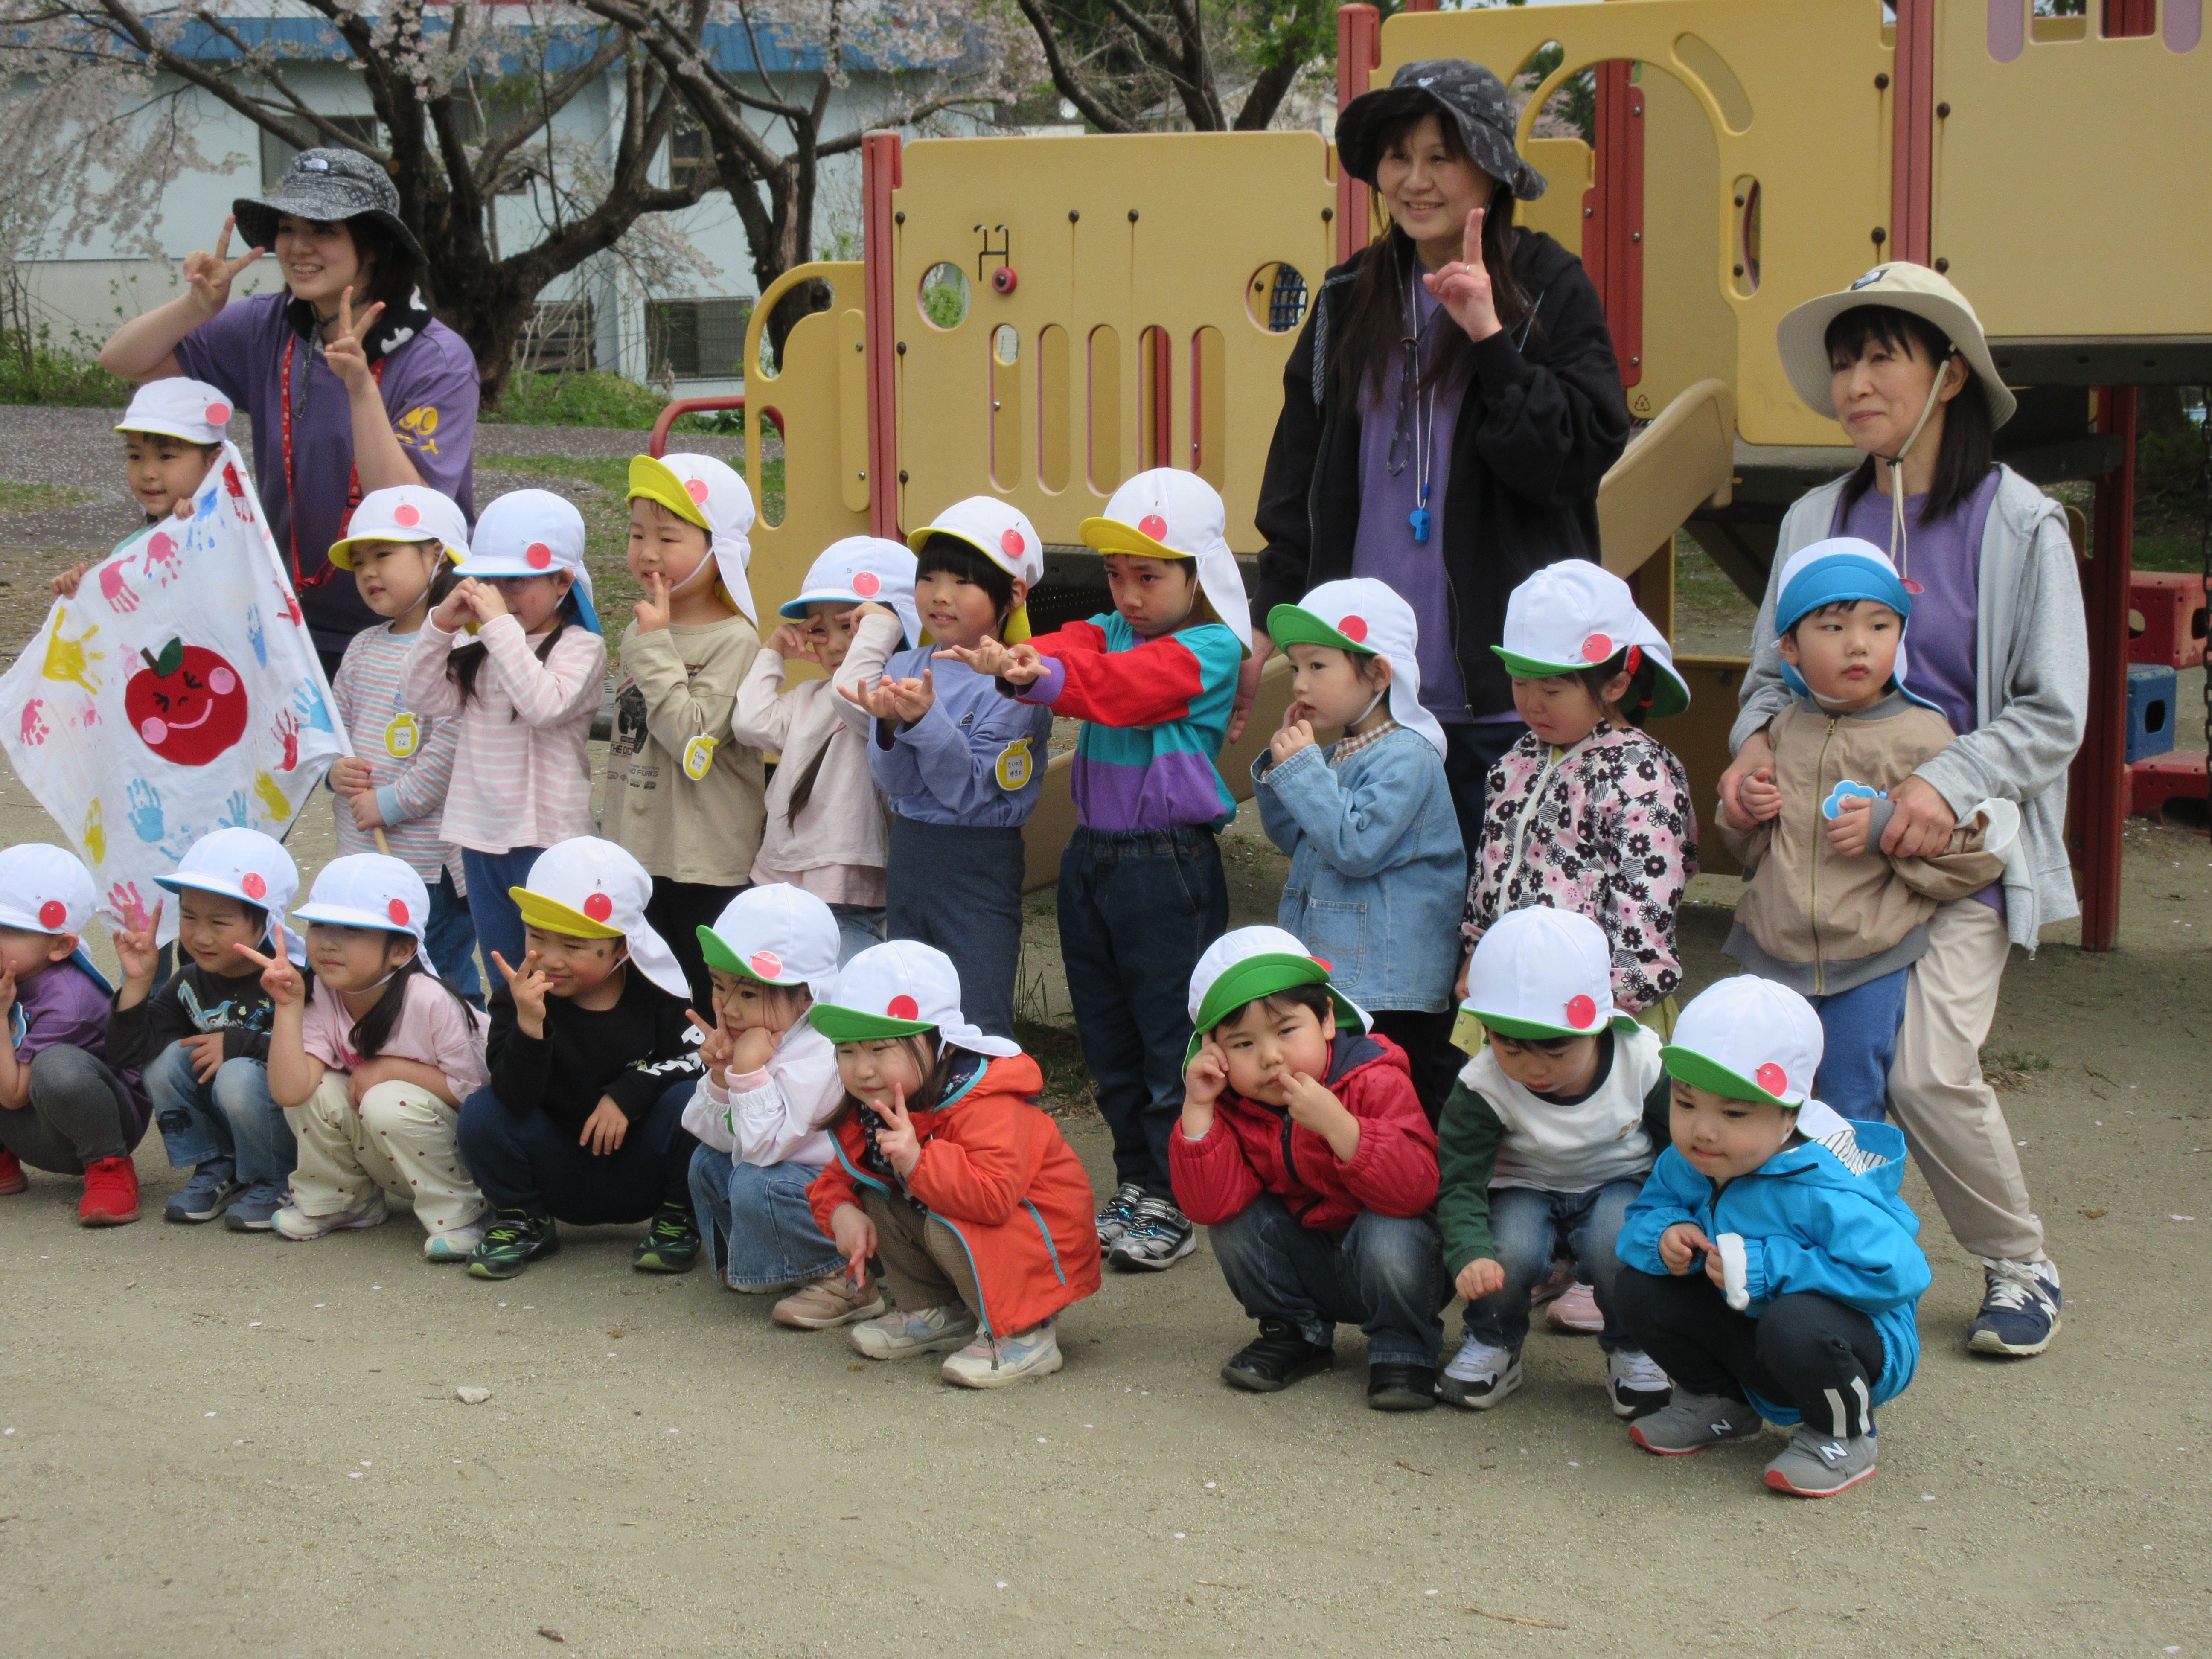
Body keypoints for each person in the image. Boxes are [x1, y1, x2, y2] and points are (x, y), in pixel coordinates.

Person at [1717, 262, 2086, 1357]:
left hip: (1952, 853)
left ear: (1951, 376)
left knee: (1924, 1070)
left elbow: (2053, 710)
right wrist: (1750, 751)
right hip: (1820, 855)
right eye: (1844, 363)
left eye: (1883, 358)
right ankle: (1806, 1259)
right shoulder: (1812, 516)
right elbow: (1768, 675)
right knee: (1779, 1059)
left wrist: (1943, 782)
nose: (1856, 384)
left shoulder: (2020, 522)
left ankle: (2018, 1263)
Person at [1250, 59, 1631, 852]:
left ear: (1489, 167)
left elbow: (1569, 461)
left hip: (1508, 693)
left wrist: (1489, 335)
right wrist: (1271, 616)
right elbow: (1298, 474)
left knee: (1501, 904)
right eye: (1398, 157)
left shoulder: (1547, 286)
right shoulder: (1348, 296)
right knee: (1378, 894)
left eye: (1440, 156)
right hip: (1372, 694)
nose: (1414, 181)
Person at [951, 470, 1248, 1273]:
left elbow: (1124, 691)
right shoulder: (1109, 627)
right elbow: (1069, 645)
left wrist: (1032, 673)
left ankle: (1178, 1196)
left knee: (1168, 1040)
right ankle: (1137, 1183)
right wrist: (1020, 653)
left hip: (1167, 862)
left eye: (1148, 576)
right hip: (1093, 855)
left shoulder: (1211, 649)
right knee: (1109, 1041)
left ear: (1198, 575)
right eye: (1116, 574)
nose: (1128, 594)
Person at [97, 149, 479, 675]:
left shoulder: (437, 359)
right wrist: (196, 308)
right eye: (287, 228)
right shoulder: (269, 326)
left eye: (323, 230)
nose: (299, 247)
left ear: (373, 246)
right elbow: (123, 360)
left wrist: (361, 390)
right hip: (286, 624)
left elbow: (409, 511)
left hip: (414, 627)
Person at [1718, 539, 2007, 1122]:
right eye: (1833, 627)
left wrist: (1890, 827)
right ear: (1790, 649)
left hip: (1871, 960)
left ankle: (1860, 1184)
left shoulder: (1924, 734)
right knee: (1766, 1095)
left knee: (1852, 1096)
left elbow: (1971, 851)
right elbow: (1750, 849)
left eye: (1880, 626)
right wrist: (1745, 811)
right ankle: (1780, 1184)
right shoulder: (1780, 730)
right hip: (1774, 952)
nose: (1859, 644)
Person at [1615, 976, 1930, 1498]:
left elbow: (1900, 1273)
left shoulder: (1823, 1185)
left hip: (1848, 1343)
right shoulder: (1687, 1161)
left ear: (1791, 1116)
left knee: (1795, 1322)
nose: (1703, 1130)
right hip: (1750, 1328)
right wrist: (1665, 1234)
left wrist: (1769, 1266)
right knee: (1639, 1286)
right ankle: (1720, 1403)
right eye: (1686, 1104)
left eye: (1734, 1113)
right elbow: (1641, 1218)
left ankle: (1842, 1435)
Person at [805, 941, 1102, 1388]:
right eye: (847, 1051)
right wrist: (841, 1212)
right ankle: (939, 1311)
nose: (862, 1069)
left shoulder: (986, 1102)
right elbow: (837, 1179)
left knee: (948, 1222)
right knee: (872, 1196)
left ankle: (1025, 1332)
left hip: (1040, 1245)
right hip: (986, 1232)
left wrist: (918, 1162)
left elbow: (993, 1198)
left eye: (880, 1049)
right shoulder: (876, 1106)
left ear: (942, 1046)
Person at [1170, 927, 1443, 1411]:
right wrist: (1198, 1107)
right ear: (1214, 1054)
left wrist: (1340, 1126)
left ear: (1327, 1020)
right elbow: (1209, 1206)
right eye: (1243, 1044)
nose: (1270, 1056)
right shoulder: (1232, 1105)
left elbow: (1416, 1190)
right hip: (1312, 1259)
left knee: (1390, 1228)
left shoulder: (1373, 1077)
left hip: (1398, 1264)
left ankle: (1404, 1345)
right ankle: (1296, 1332)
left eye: (1286, 1031)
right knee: (1234, 1222)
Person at [1434, 908, 1673, 1417]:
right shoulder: (1481, 1085)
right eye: (1510, 1048)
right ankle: (1493, 1340)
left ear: (1601, 1023)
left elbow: (1680, 1147)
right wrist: (1469, 1252)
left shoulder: (1643, 1060)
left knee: (1621, 1242)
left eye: (1555, 1050)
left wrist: (1678, 1217)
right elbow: (1460, 1181)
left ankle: (1634, 1347)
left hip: (1621, 1180)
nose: (1533, 1068)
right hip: (1524, 1185)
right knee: (1508, 1251)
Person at [837, 498, 1053, 1042]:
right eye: (929, 578)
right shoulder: (904, 665)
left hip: (977, 860)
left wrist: (924, 720)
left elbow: (969, 794)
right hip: (911, 851)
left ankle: (985, 1091)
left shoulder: (1017, 683)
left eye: (962, 582)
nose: (939, 595)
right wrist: (890, 726)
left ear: (1013, 595)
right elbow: (896, 783)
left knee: (976, 1006)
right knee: (910, 1001)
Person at [1254, 578, 1464, 1119]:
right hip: (1349, 976)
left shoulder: (1408, 757)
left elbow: (1354, 845)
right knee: (1346, 1102)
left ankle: (1404, 1175)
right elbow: (1297, 836)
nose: (1300, 683)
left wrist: (1304, 771)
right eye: (1295, 667)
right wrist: (1284, 769)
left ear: (1378, 674)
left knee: (1392, 1105)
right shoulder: (1342, 752)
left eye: (1317, 666)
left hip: (1391, 986)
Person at [455, 838, 704, 1281]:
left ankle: (678, 1216)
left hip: (642, 1170)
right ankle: (523, 1218)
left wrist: (629, 1093)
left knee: (693, 1101)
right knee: (482, 1112)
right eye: (536, 937)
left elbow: (697, 1060)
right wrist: (531, 1026)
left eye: (573, 946)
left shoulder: (659, 994)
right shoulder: (518, 998)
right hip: (557, 1168)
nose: (551, 960)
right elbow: (513, 1097)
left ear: (622, 948)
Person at [1458, 560, 1697, 1022]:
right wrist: (1479, 953)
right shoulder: (1517, 761)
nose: (1532, 704)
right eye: (1520, 682)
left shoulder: (1641, 775)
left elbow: (1648, 900)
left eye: (1552, 690)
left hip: (1594, 1010)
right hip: (1508, 990)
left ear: (1616, 685)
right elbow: (1491, 869)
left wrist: (1615, 1001)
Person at [236, 856, 489, 1257]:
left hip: (471, 1160)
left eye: (352, 930)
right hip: (399, 1154)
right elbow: (290, 1091)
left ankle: (462, 1215)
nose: (328, 943)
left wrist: (389, 1069)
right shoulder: (323, 993)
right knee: (318, 1089)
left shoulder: (429, 1000)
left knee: (386, 1098)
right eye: (319, 926)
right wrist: (288, 1007)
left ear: (402, 949)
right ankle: (345, 1202)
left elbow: (476, 1094)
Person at [399, 489, 606, 977]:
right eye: (490, 580)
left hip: (548, 838)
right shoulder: (486, 649)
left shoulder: (581, 647)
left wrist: (496, 628)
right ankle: (509, 1030)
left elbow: (543, 705)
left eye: (516, 581)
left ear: (563, 581)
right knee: (504, 969)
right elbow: (419, 695)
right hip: (480, 837)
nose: (501, 595)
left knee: (551, 971)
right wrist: (440, 625)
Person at [608, 454, 767, 1010]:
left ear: (719, 550)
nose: (647, 552)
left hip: (705, 862)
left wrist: (653, 646)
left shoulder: (735, 640)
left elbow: (692, 740)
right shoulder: (643, 629)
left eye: (668, 538)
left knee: (706, 1000)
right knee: (646, 998)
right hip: (639, 851)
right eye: (637, 535)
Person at [683, 885, 868, 1325]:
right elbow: (714, 1136)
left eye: (748, 995)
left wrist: (747, 1072)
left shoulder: (824, 1052)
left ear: (807, 996)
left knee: (756, 1184)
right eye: (719, 986)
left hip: (844, 1198)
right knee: (706, 1163)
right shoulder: (761, 1035)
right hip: (789, 1177)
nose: (729, 1008)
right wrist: (722, 1076)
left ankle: (846, 1277)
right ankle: (767, 1262)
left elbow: (763, 1150)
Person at [322, 485, 480, 997]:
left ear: (437, 556)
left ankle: (462, 1042)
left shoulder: (461, 646)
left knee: (439, 976)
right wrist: (334, 771)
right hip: (364, 853)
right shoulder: (362, 647)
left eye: (384, 555)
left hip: (430, 864)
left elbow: (450, 751)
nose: (368, 572)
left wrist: (389, 803)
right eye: (359, 563)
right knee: (374, 975)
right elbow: (334, 728)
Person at [732, 537, 918, 966]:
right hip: (784, 873)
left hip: (848, 884)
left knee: (841, 986)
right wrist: (773, 652)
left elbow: (851, 696)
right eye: (820, 631)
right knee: (787, 982)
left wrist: (885, 627)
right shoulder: (810, 697)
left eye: (851, 627)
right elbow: (751, 722)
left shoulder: (889, 700)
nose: (834, 645)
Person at [105, 829, 300, 1230]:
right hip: (237, 1120)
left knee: (237, 1074)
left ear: (266, 922)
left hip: (292, 1129)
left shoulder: (291, 981)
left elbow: (317, 1056)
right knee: (165, 1061)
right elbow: (128, 1055)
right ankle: (219, 1165)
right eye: (189, 916)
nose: (200, 936)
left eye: (220, 922)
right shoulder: (190, 981)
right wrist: (139, 983)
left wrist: (237, 1044)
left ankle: (278, 1177)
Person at [0, 844, 151, 1226]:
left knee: (57, 1067)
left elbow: (14, 1095)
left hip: (87, 1128)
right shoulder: (15, 971)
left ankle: (110, 1170)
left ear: (61, 945)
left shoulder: (70, 1003)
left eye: (8, 931)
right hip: (29, 1123)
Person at [49, 380, 232, 603]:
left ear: (215, 462)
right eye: (135, 456)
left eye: (167, 456)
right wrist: (79, 595)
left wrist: (200, 527)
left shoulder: (236, 536)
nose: (148, 473)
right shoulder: (129, 552)